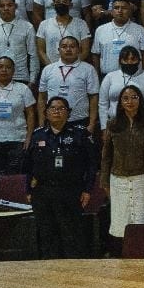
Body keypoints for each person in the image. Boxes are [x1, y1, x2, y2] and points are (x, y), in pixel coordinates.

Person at [24, 96, 97, 257]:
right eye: (53, 108)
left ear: (68, 113)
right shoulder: (38, 135)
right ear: (46, 113)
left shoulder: (80, 134)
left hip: (71, 191)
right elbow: (29, 166)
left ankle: (71, 270)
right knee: (47, 235)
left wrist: (87, 189)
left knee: (71, 236)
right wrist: (28, 190)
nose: (57, 111)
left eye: (61, 108)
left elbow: (92, 165)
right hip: (43, 192)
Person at [99, 85, 144, 246]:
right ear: (120, 102)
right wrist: (105, 182)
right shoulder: (112, 124)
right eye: (125, 98)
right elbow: (106, 156)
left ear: (140, 100)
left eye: (134, 97)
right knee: (123, 224)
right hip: (119, 181)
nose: (130, 101)